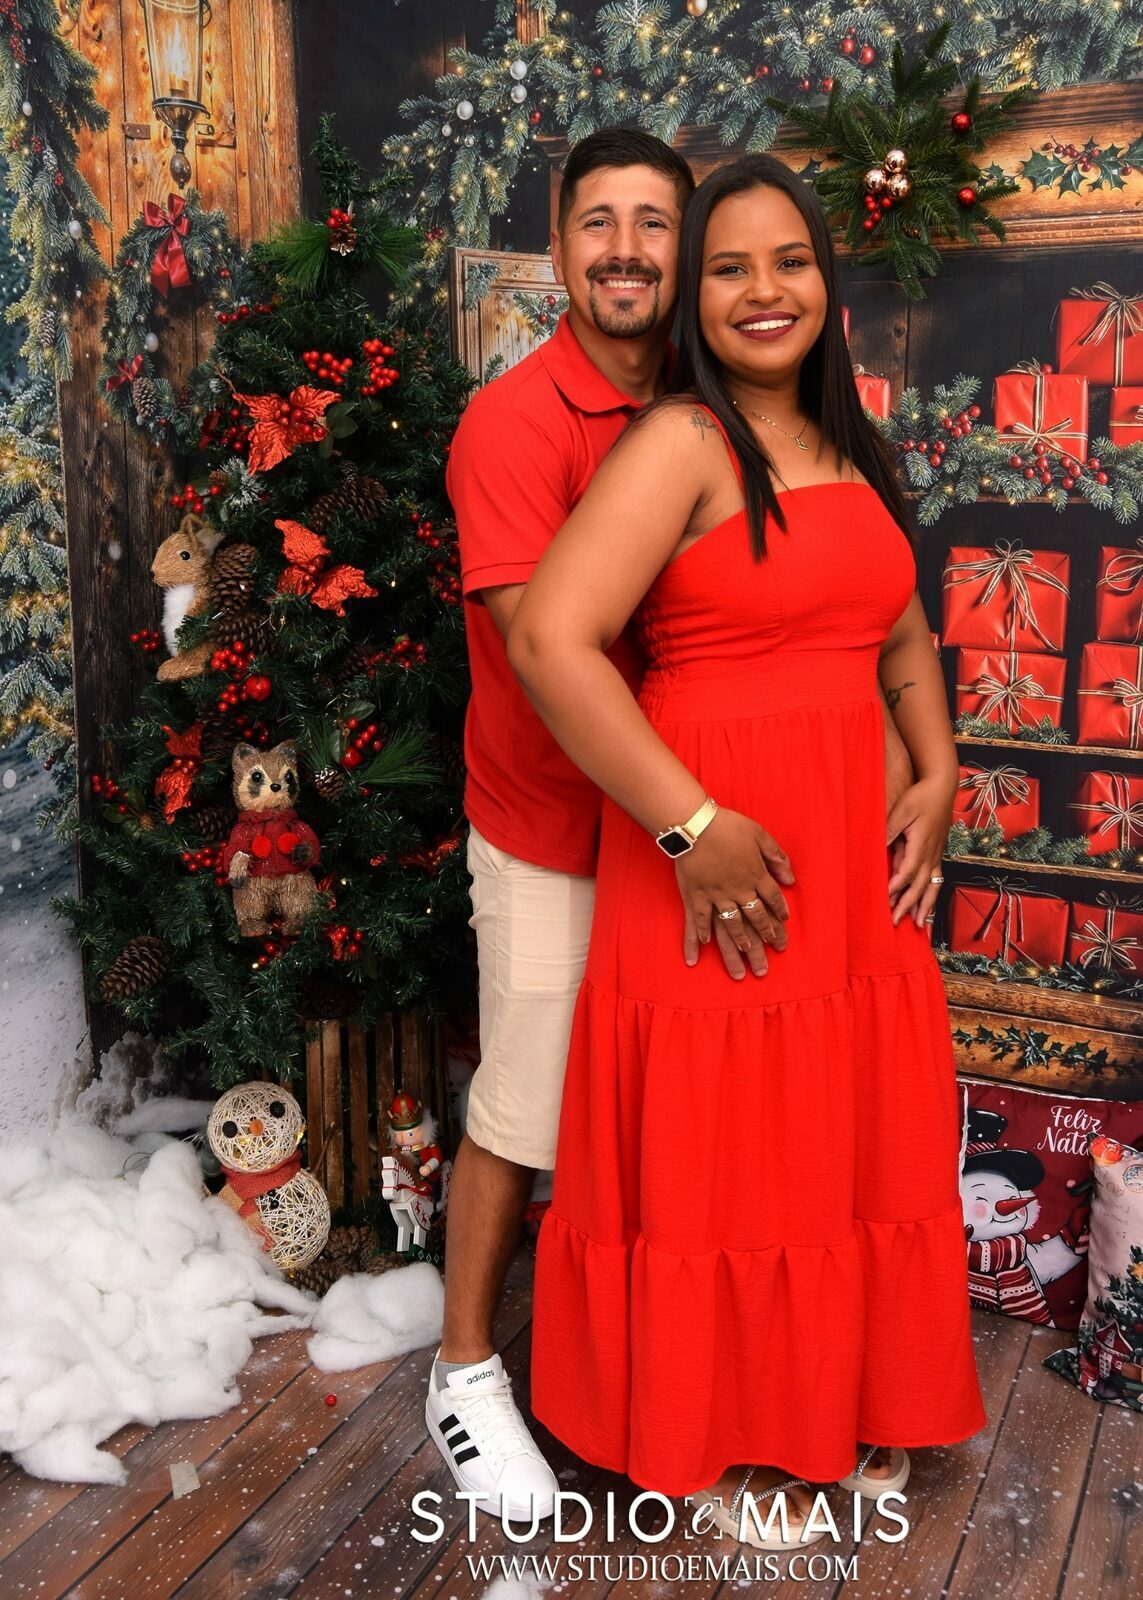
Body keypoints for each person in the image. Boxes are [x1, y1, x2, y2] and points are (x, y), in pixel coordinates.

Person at [508, 153, 987, 1546]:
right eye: (728, 267)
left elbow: (894, 626)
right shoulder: (683, 444)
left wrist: (940, 767)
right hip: (724, 862)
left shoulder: (845, 436)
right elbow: (552, 642)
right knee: (733, 1151)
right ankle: (717, 1435)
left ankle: (834, 1395)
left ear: (827, 281)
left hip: (850, 866)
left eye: (789, 261)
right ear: (692, 299)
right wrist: (692, 827)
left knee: (837, 1141)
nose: (763, 290)